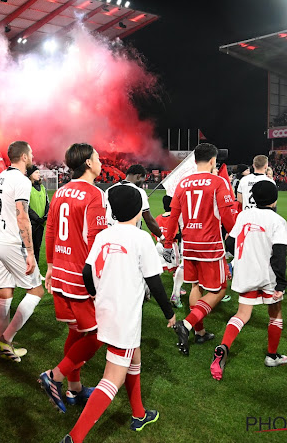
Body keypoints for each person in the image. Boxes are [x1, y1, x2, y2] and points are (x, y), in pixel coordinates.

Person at [60, 185, 175, 443]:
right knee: (112, 379)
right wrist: (169, 313)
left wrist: (93, 294)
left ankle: (139, 413)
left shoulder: (104, 235)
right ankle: (75, 438)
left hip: (105, 308)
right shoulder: (140, 238)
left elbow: (88, 272)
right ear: (138, 211)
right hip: (125, 315)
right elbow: (155, 282)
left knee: (134, 357)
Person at [39, 143, 108, 411]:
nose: (100, 162)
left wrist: (50, 266)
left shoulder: (60, 192)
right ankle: (54, 376)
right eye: (98, 158)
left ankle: (74, 389)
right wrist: (100, 276)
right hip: (82, 274)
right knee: (97, 334)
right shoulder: (94, 194)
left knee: (76, 331)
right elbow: (96, 240)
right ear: (89, 163)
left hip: (61, 272)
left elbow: (51, 231)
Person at [163, 143, 238, 355]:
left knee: (195, 285)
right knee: (220, 289)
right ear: (213, 160)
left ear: (195, 161)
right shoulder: (218, 182)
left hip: (189, 244)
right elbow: (226, 216)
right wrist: (238, 235)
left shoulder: (182, 183)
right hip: (210, 244)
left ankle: (200, 332)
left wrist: (169, 241)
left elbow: (173, 216)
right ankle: (187, 325)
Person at [211, 181, 287, 381]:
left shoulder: (244, 215)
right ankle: (272, 356)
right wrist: (281, 283)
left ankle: (223, 347)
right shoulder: (278, 221)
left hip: (246, 273)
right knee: (275, 313)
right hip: (268, 276)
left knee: (242, 314)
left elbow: (230, 242)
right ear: (274, 199)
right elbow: (279, 254)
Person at [0, 141, 44, 362]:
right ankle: (6, 339)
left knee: (5, 291)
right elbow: (22, 215)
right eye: (30, 152)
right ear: (24, 156)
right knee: (37, 290)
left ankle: (6, 345)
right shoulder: (21, 180)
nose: (32, 155)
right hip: (12, 242)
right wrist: (30, 251)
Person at [104, 164, 161, 237]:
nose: (141, 183)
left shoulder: (109, 190)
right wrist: (161, 237)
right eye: (143, 180)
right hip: (130, 235)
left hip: (110, 233)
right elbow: (148, 220)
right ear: (139, 176)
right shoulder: (139, 192)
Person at [154, 195, 185, 307]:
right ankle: (176, 293)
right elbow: (179, 234)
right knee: (177, 269)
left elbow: (154, 231)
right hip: (171, 246)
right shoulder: (175, 218)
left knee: (157, 269)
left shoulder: (157, 218)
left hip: (158, 246)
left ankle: (147, 289)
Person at [27, 165, 49, 263]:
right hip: (30, 222)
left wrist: (45, 216)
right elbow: (26, 206)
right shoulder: (27, 187)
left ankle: (36, 270)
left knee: (37, 247)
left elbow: (47, 203)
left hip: (40, 223)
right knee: (29, 248)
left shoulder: (42, 187)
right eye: (36, 172)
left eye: (39, 173)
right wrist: (36, 218)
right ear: (30, 175)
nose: (39, 174)